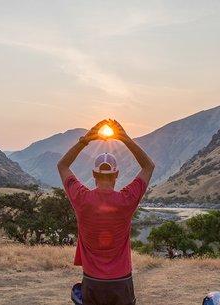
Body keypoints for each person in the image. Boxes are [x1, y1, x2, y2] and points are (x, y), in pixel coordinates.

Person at [58, 119, 155, 305]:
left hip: (92, 281)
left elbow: (62, 166)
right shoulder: (126, 200)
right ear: (117, 174)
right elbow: (148, 166)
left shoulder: (81, 198)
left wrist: (84, 141)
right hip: (121, 281)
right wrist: (125, 139)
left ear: (94, 174)